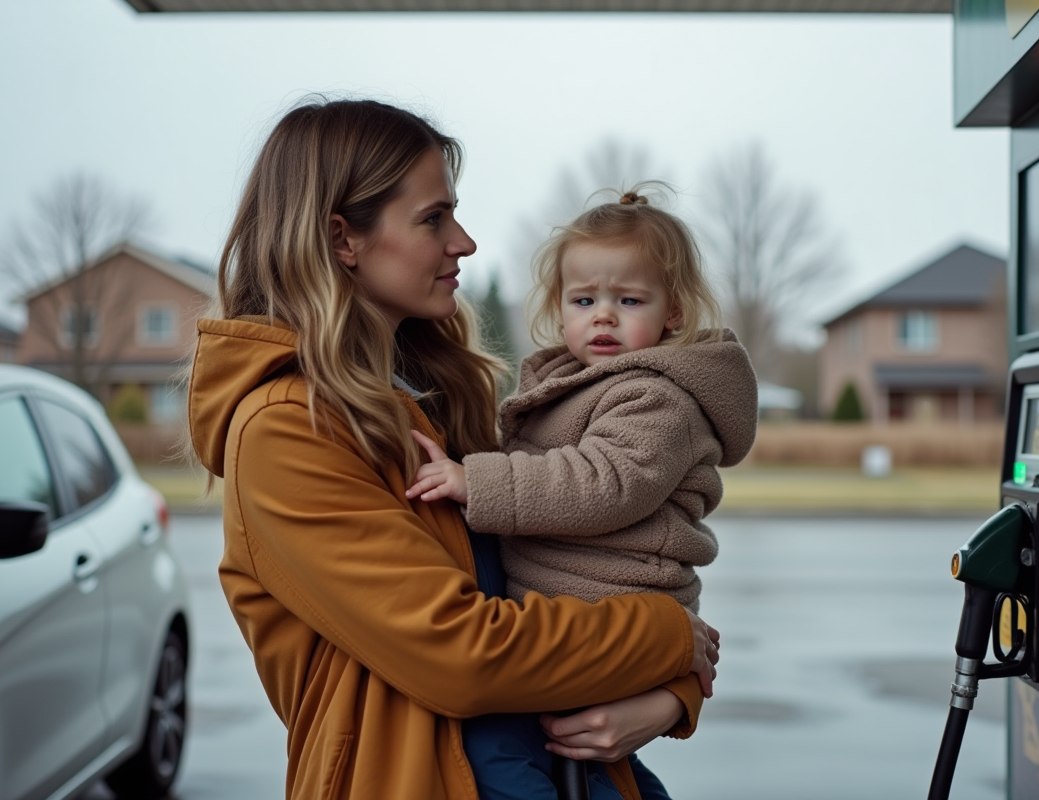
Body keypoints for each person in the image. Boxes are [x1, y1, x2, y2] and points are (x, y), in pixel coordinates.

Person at [185, 98, 721, 800]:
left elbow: (584, 568)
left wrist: (673, 693)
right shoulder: (288, 430)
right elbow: (465, 654)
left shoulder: (433, 399)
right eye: (434, 218)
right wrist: (669, 640)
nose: (464, 242)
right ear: (343, 239)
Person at [406, 188, 757, 799]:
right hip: (576, 614)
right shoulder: (573, 387)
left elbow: (602, 483)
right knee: (587, 767)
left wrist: (474, 480)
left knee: (502, 755)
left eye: (628, 300)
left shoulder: (655, 397)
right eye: (585, 299)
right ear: (559, 306)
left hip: (612, 602)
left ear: (672, 313)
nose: (603, 316)